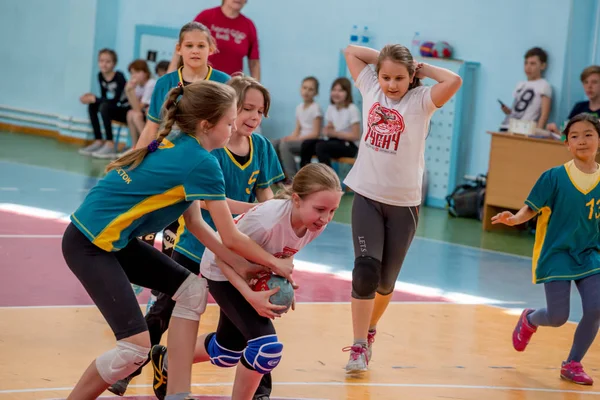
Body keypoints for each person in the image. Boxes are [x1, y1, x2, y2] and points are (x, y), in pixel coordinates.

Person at [62, 80, 293, 399]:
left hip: (115, 241)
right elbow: (230, 235)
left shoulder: (181, 144)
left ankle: (177, 393)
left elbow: (197, 223)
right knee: (133, 349)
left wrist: (242, 264)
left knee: (192, 291)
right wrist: (274, 263)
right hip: (90, 244)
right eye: (229, 122)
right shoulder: (203, 162)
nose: (232, 129)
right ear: (206, 125)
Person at [151, 163, 343, 400]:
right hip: (221, 268)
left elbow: (286, 249)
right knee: (266, 349)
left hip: (251, 270)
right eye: (320, 209)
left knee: (226, 351)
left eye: (333, 211)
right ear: (296, 200)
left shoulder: (314, 224)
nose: (326, 218)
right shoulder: (267, 221)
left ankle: (167, 360)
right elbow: (222, 254)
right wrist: (250, 295)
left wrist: (283, 279)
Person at [341, 43, 462, 372]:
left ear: (411, 78)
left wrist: (422, 68)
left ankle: (369, 329)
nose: (391, 84)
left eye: (399, 78)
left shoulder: (422, 101)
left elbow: (453, 80)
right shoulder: (369, 87)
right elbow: (350, 50)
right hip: (366, 194)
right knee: (365, 272)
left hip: (404, 203)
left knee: (384, 283)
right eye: (385, 77)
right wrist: (385, 58)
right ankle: (358, 346)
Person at [492, 113, 600, 385]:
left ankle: (573, 363)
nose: (582, 141)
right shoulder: (554, 177)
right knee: (558, 316)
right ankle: (530, 319)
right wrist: (515, 218)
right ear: (567, 144)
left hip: (590, 253)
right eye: (574, 136)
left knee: (596, 307)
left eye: (589, 134)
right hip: (557, 254)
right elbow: (532, 207)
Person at [168, 0, 260, 79]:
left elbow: (254, 63)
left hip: (229, 88)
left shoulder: (248, 26)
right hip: (199, 82)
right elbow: (184, 47)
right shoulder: (206, 17)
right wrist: (169, 76)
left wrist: (257, 90)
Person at [300, 77, 361, 167]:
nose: (336, 93)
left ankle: (328, 179)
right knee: (307, 144)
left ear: (347, 93)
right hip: (334, 142)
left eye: (340, 90)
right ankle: (305, 176)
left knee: (321, 146)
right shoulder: (331, 108)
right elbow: (330, 129)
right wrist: (327, 131)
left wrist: (335, 133)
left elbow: (356, 136)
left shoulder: (352, 109)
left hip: (349, 146)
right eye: (334, 90)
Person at [79, 48, 128, 158]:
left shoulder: (119, 77)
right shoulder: (100, 76)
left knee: (103, 106)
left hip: (124, 110)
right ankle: (98, 140)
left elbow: (116, 100)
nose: (104, 64)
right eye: (101, 61)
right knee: (93, 105)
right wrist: (92, 99)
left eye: (108, 61)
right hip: (112, 107)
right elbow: (104, 97)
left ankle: (110, 143)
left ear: (114, 64)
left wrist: (95, 99)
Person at [272, 76, 323, 179]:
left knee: (285, 146)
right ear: (300, 89)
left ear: (316, 93)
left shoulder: (316, 108)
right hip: (300, 140)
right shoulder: (299, 108)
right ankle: (280, 177)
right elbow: (297, 130)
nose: (306, 91)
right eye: (304, 88)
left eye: (311, 89)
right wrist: (289, 137)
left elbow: (316, 133)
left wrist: (295, 139)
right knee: (274, 143)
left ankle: (293, 179)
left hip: (310, 142)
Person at [499, 47, 552, 131]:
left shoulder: (544, 85)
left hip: (524, 130)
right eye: (526, 63)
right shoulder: (520, 84)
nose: (528, 67)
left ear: (542, 65)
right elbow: (516, 111)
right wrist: (508, 111)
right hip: (507, 126)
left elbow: (544, 114)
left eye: (532, 64)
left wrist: (537, 132)